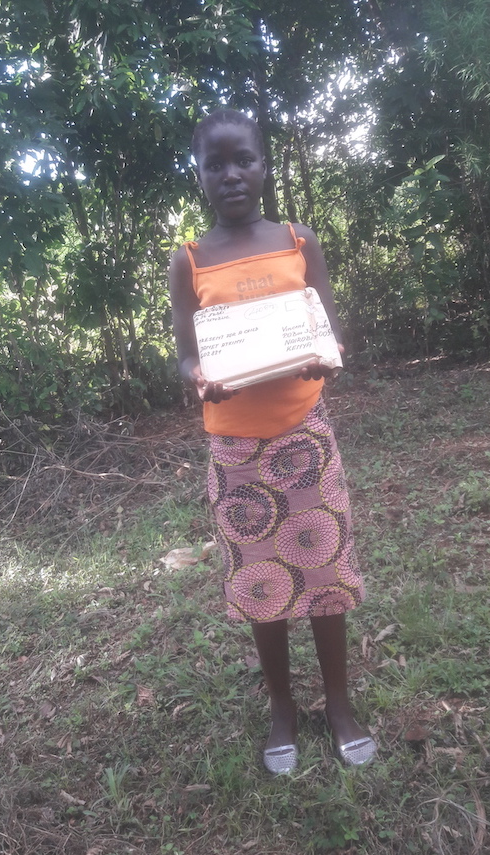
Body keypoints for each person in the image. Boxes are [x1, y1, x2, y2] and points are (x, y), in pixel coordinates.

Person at [169, 108, 376, 775]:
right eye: (215, 164)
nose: (231, 174)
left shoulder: (297, 241)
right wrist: (198, 377)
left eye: (244, 160)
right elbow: (186, 355)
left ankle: (339, 704)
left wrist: (324, 358)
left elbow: (328, 332)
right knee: (262, 583)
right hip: (236, 451)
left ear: (264, 165)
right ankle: (282, 708)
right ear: (199, 175)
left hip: (304, 437)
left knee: (325, 572)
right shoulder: (189, 261)